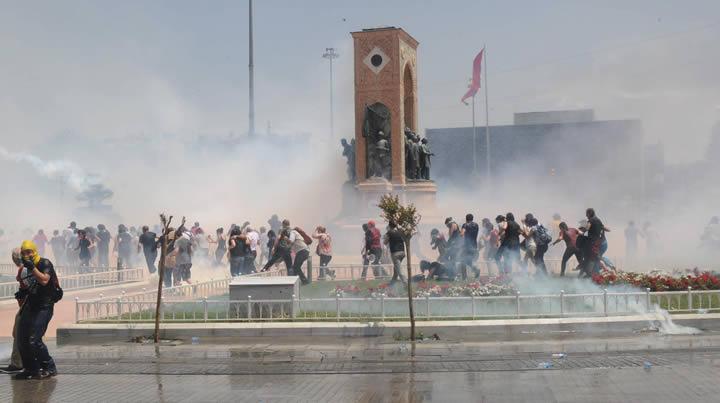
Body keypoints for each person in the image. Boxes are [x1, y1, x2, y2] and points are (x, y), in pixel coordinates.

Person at [14, 240, 59, 379]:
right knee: (21, 337)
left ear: (35, 251)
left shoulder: (44, 263)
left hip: (45, 305)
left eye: (29, 252)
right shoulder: (23, 269)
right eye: (24, 253)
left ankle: (49, 367)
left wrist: (33, 267)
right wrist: (21, 294)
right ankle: (31, 369)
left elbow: (45, 280)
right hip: (31, 304)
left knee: (34, 339)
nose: (27, 255)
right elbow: (25, 286)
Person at [0, 248, 26, 374]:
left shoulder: (24, 270)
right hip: (29, 307)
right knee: (20, 333)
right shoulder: (27, 269)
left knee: (19, 333)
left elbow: (31, 289)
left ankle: (17, 364)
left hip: (28, 307)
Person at [581, 208, 605, 276]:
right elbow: (604, 228)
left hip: (592, 242)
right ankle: (590, 273)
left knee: (593, 257)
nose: (586, 215)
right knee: (594, 257)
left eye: (586, 214)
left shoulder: (591, 220)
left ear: (589, 213)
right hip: (597, 241)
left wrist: (580, 231)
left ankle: (591, 274)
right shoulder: (598, 220)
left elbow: (586, 229)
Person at [460, 214, 481, 279]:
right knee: (469, 261)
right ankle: (475, 269)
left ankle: (464, 277)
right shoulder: (476, 225)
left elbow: (462, 234)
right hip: (474, 245)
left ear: (466, 219)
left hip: (467, 246)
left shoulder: (465, 225)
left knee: (462, 261)